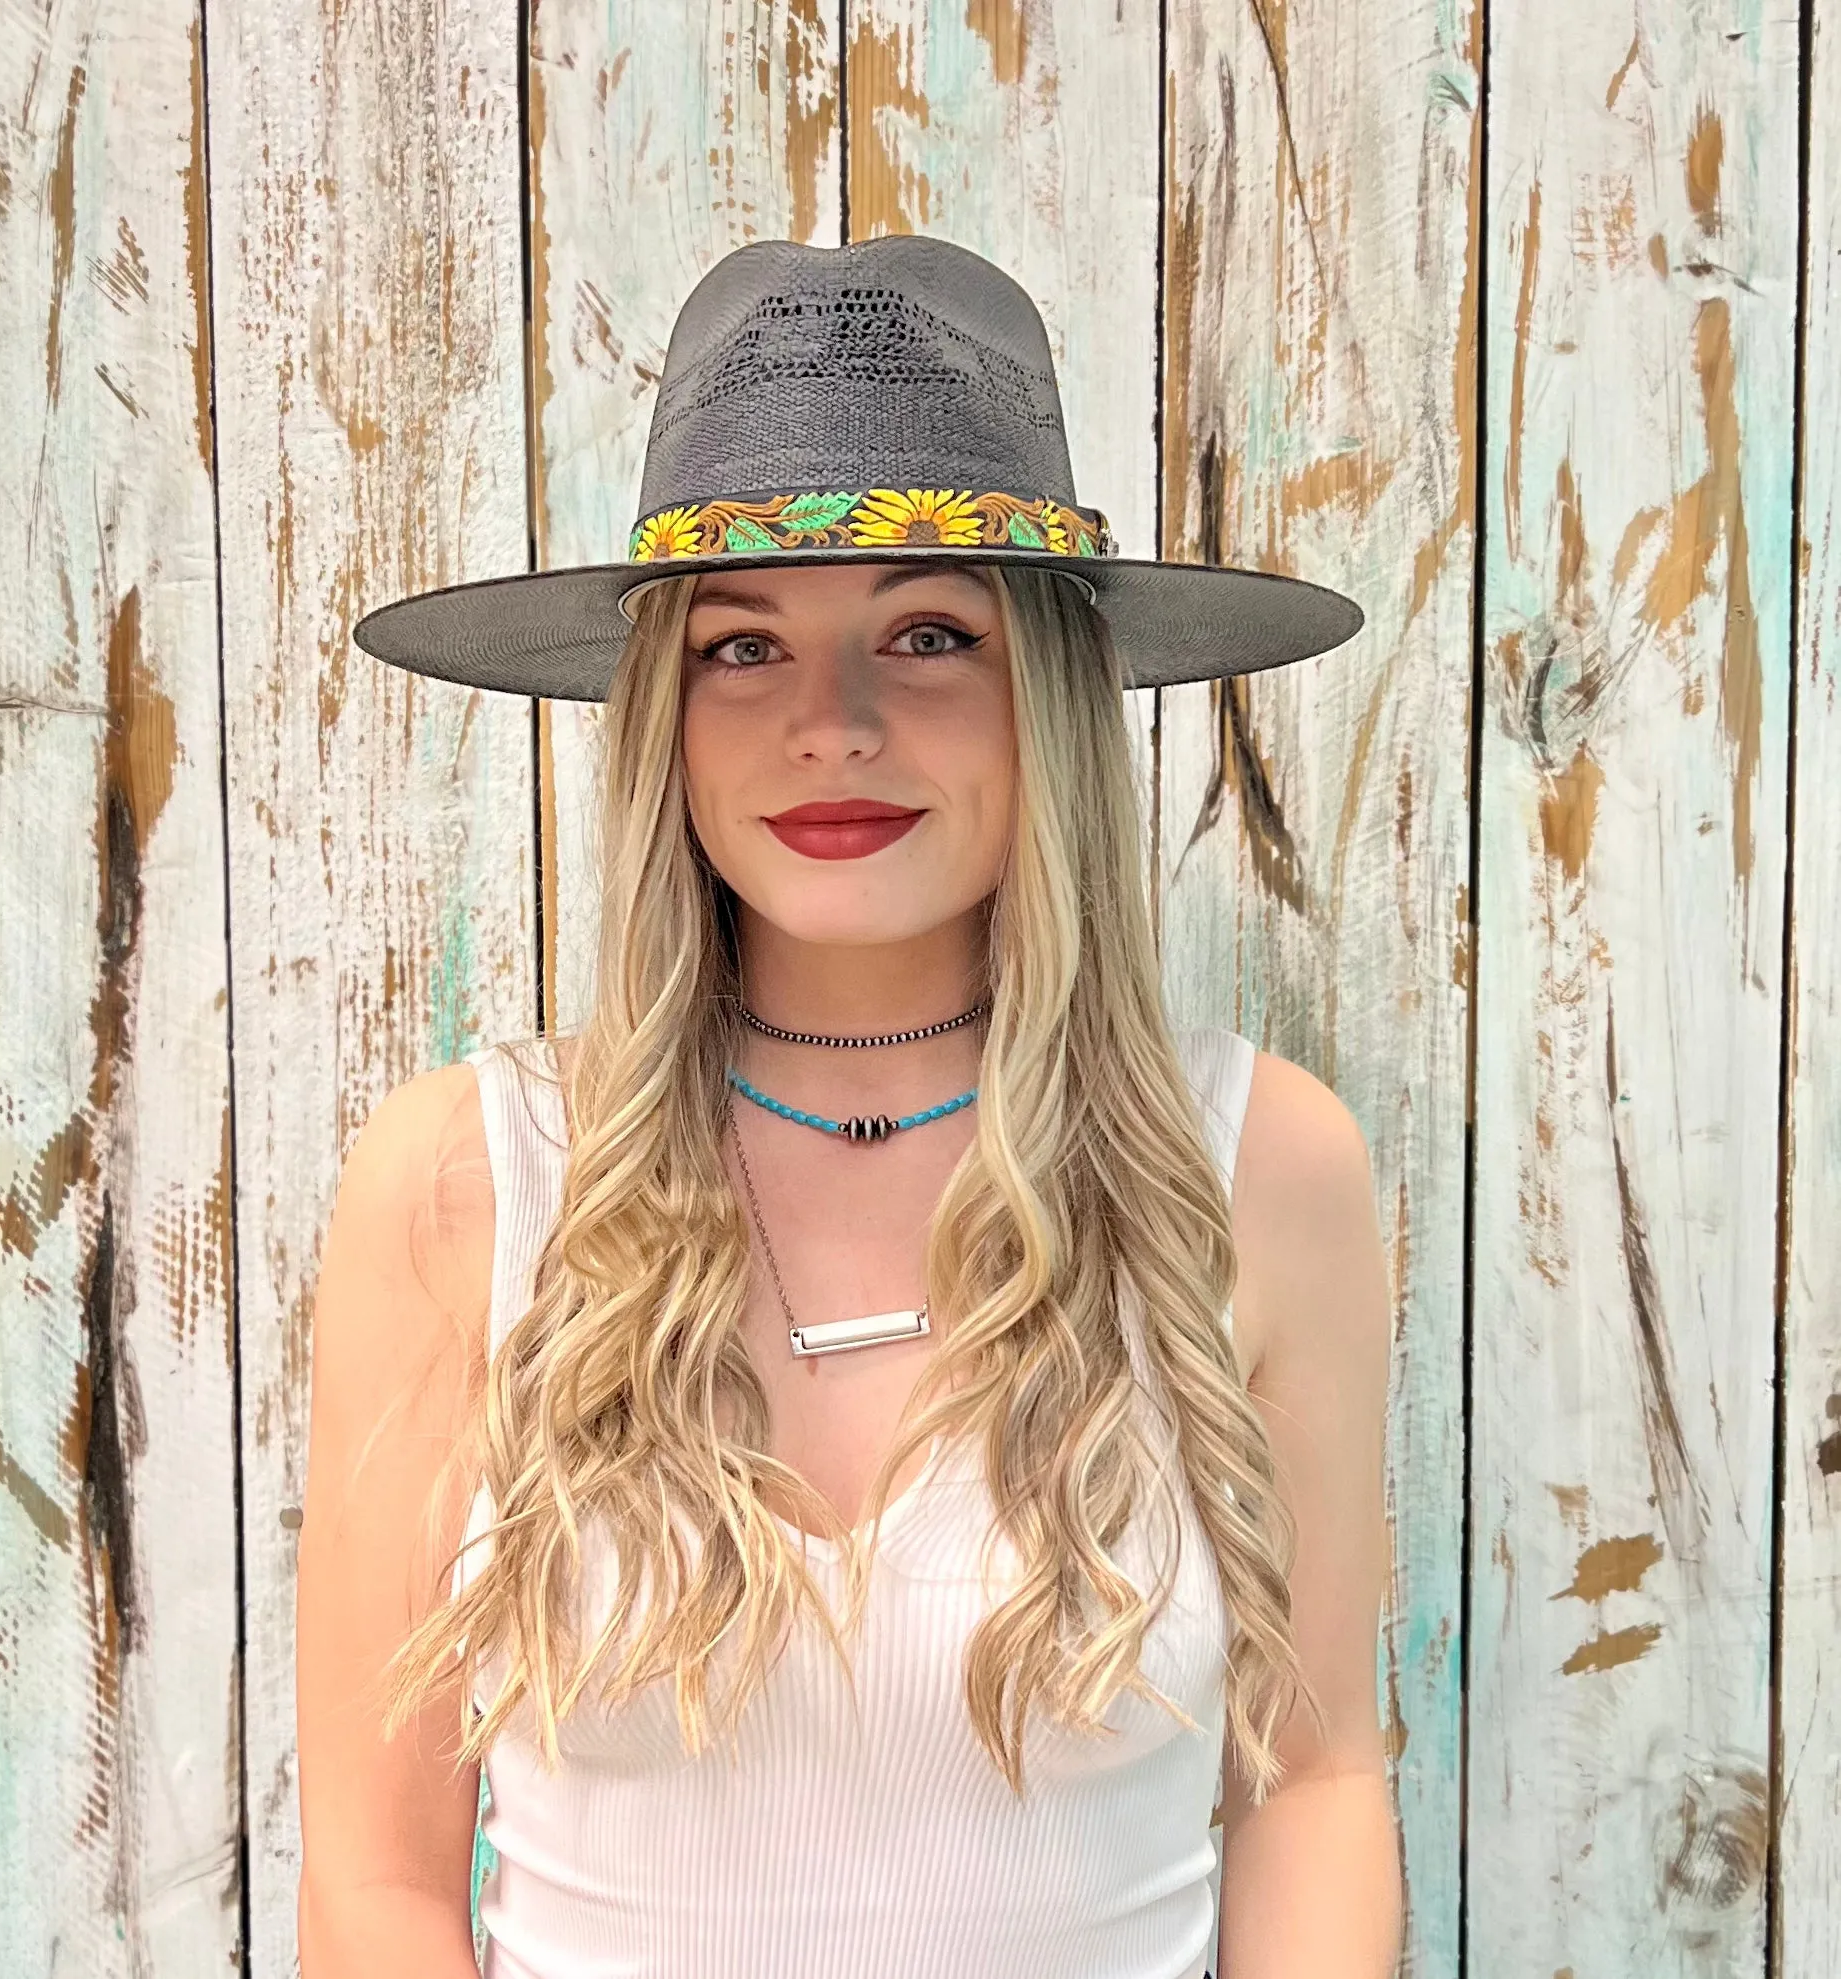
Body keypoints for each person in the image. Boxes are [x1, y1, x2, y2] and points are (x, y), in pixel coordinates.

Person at [297, 234, 1401, 1977]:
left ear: (1046, 693)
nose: (835, 723)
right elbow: (375, 1877)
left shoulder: (1258, 1166)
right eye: (744, 649)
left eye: (929, 633)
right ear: (663, 713)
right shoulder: (467, 1178)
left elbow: (1316, 1778)